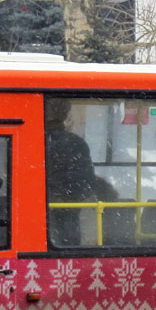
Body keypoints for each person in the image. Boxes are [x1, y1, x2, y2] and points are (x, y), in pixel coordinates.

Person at [45, 98, 96, 246]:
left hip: (43, 213)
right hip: (69, 212)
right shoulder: (76, 143)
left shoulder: (34, 140)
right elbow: (86, 181)